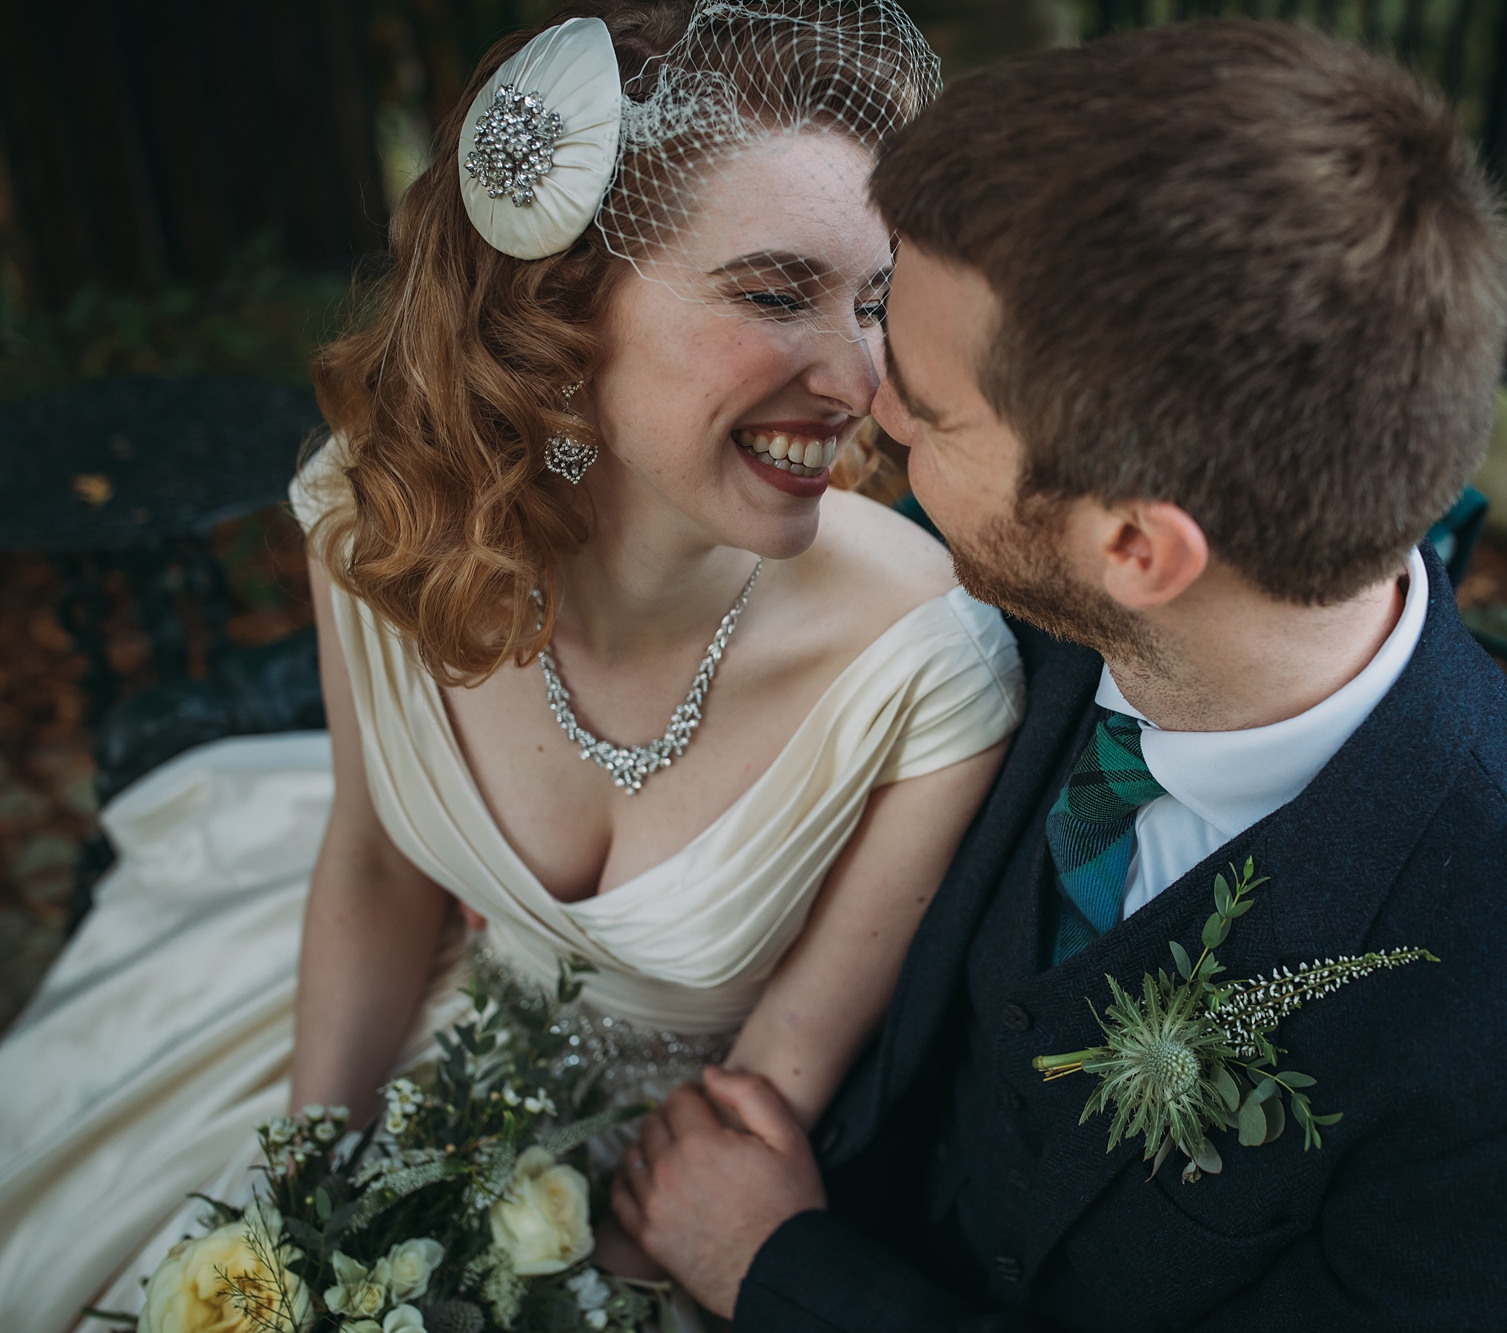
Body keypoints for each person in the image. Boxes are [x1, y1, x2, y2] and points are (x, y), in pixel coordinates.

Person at [610, 21, 1507, 1331]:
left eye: (930, 406)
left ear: (1136, 548)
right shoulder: (1018, 609)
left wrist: (775, 1266)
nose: (873, 407)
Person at [0, 3, 1023, 1328]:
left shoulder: (928, 665)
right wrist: (314, 1190)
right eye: (776, 292)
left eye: (877, 300)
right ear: (565, 301)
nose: (859, 376)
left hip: (667, 1210)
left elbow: (761, 1100)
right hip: (392, 1040)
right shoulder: (371, 529)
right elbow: (374, 866)